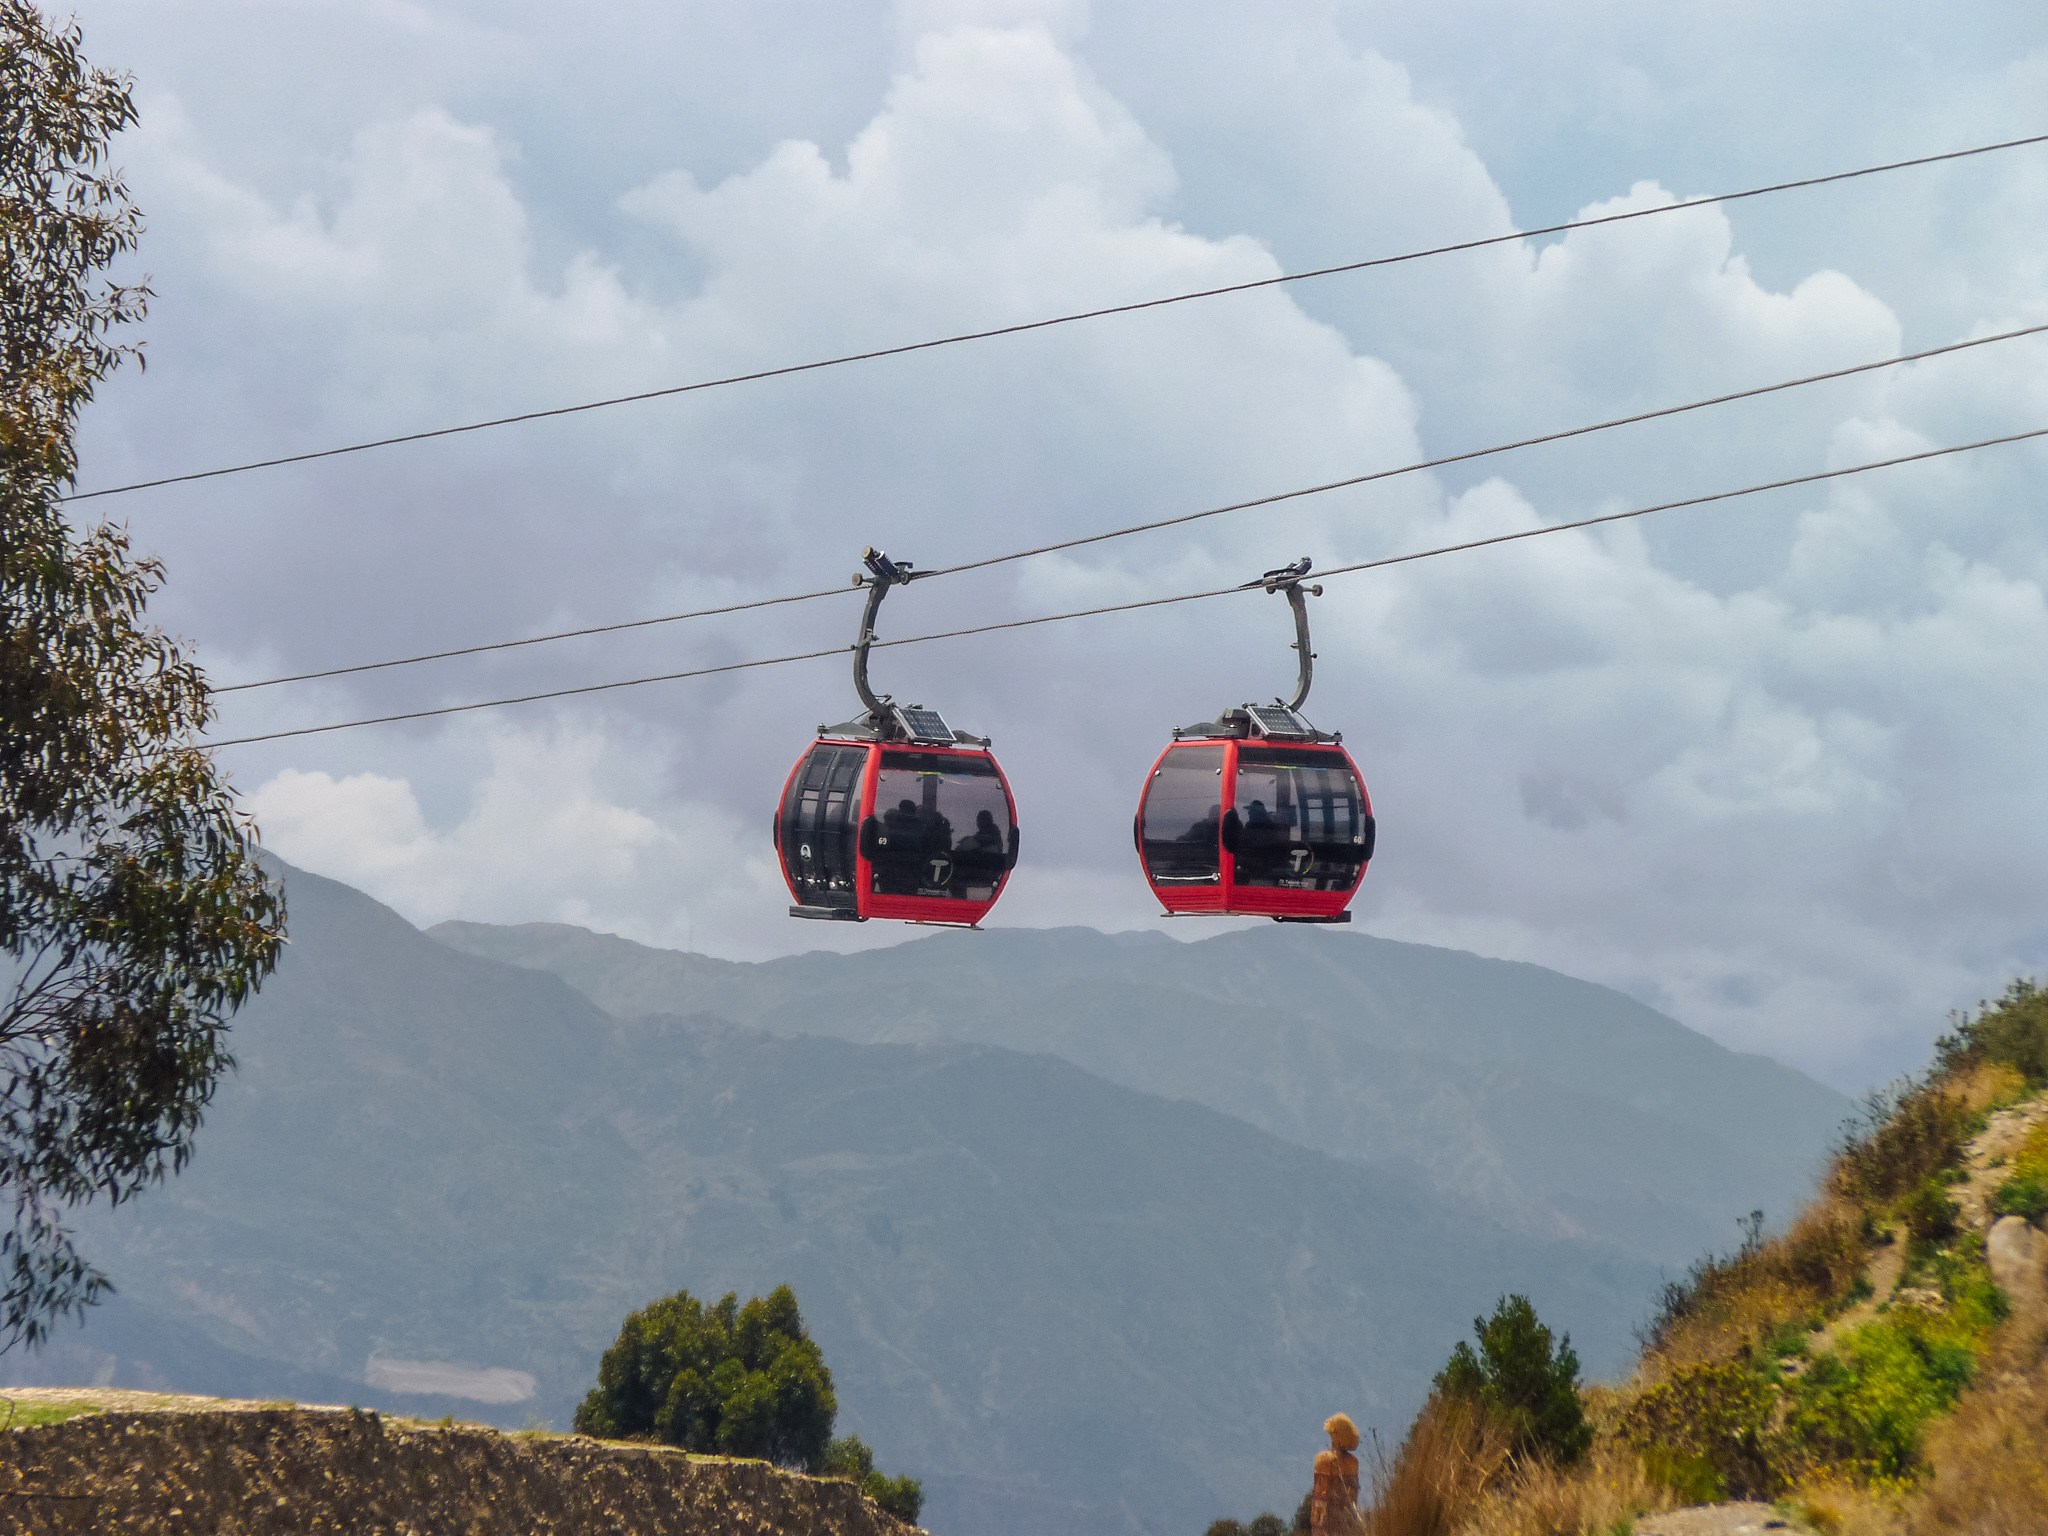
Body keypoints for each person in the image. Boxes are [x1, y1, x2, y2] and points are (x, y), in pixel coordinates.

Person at [1309, 1413, 1361, 1536]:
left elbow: (1319, 1500)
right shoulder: (1353, 1463)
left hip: (1325, 1526)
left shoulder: (1322, 1460)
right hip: (1347, 1525)